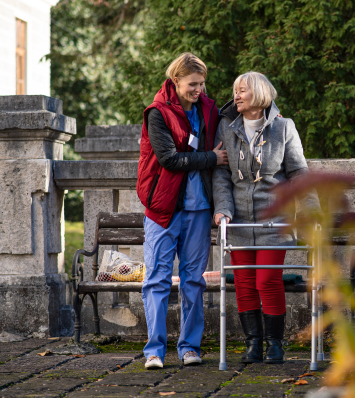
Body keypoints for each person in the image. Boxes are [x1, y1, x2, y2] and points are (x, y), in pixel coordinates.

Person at [212, 71, 320, 364]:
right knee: (245, 282)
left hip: (275, 221)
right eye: (235, 91)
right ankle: (253, 344)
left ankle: (275, 344)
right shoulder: (226, 127)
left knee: (267, 281)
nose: (236, 96)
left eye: (242, 90)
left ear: (259, 94)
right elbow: (221, 174)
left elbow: (298, 173)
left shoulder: (284, 128)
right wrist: (222, 209)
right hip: (238, 221)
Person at [137, 53, 228, 369]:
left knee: (193, 281)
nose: (199, 90)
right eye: (193, 84)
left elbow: (238, 116)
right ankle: (154, 351)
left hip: (200, 209)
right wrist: (211, 158)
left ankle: (190, 348)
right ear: (175, 81)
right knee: (157, 280)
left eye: (202, 84)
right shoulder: (157, 114)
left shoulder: (209, 110)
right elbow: (170, 160)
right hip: (163, 209)